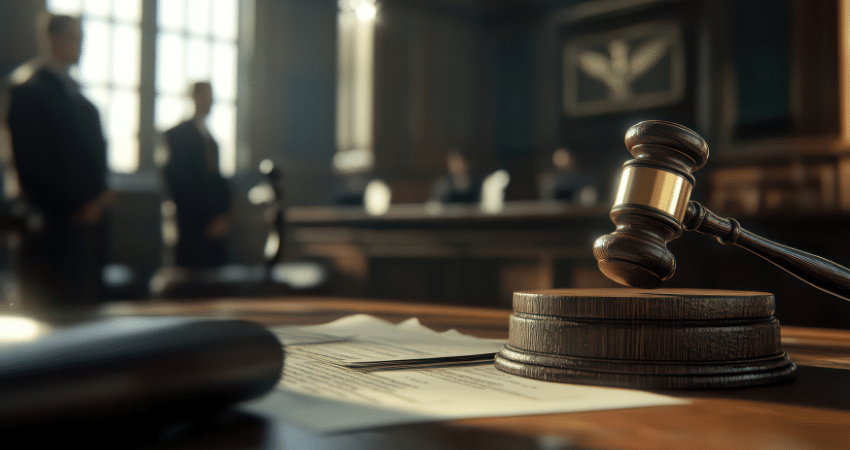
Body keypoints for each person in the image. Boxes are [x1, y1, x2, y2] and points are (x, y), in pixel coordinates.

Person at [5, 14, 113, 310]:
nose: (80, 47)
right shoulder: (29, 91)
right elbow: (32, 165)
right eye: (74, 38)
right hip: (52, 230)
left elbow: (97, 158)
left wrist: (99, 199)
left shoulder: (81, 99)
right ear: (53, 39)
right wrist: (75, 207)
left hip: (88, 232)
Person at [162, 81, 231, 269]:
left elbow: (216, 180)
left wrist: (223, 214)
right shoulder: (177, 134)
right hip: (192, 226)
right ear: (194, 98)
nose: (210, 102)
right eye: (205, 97)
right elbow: (179, 183)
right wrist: (206, 220)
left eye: (212, 98)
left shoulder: (211, 139)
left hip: (216, 225)